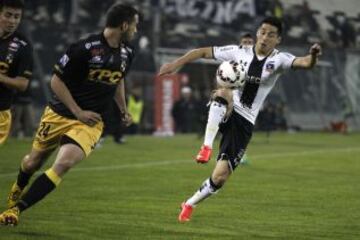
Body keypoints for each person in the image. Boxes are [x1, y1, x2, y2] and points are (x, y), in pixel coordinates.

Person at [159, 17, 322, 222]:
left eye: (270, 34)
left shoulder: (279, 60)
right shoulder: (238, 52)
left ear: (278, 39)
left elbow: (305, 62)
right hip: (228, 107)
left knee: (220, 177)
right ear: (257, 33)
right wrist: (176, 64)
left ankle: (189, 203)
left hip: (245, 122)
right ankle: (206, 146)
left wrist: (313, 56)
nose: (264, 37)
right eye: (262, 32)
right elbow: (201, 52)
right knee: (224, 91)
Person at [0, 3, 139, 226]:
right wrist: (77, 111)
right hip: (59, 114)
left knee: (63, 163)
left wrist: (123, 109)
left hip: (91, 121)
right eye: (135, 25)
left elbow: (118, 79)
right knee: (32, 163)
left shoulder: (128, 52)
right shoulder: (84, 48)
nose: (136, 30)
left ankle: (15, 210)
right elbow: (56, 81)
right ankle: (18, 186)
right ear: (124, 25)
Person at [0, 0, 33, 145]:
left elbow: (22, 84)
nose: (12, 21)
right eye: (8, 15)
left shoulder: (23, 45)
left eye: (16, 16)